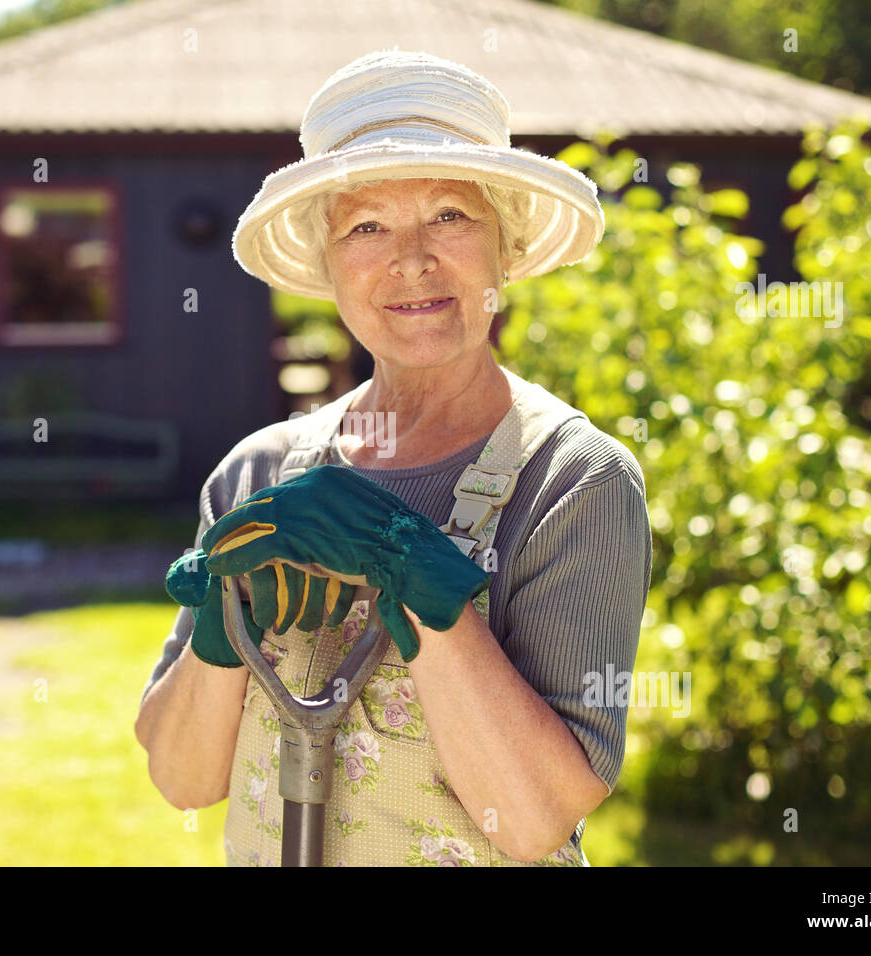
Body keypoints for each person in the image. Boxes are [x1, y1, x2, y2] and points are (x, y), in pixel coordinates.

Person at [134, 49, 651, 867]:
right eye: (366, 226)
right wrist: (215, 634)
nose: (412, 259)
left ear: (506, 250)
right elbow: (183, 779)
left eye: (451, 215)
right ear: (328, 265)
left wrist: (422, 582)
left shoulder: (573, 480)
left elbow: (531, 821)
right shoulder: (258, 474)